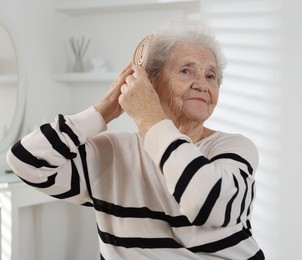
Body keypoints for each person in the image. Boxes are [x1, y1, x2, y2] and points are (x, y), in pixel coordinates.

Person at [7, 21, 264, 259]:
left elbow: (207, 204)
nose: (202, 84)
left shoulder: (233, 147)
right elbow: (26, 161)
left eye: (211, 76)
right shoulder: (113, 153)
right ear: (149, 84)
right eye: (186, 71)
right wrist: (104, 110)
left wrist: (151, 120)